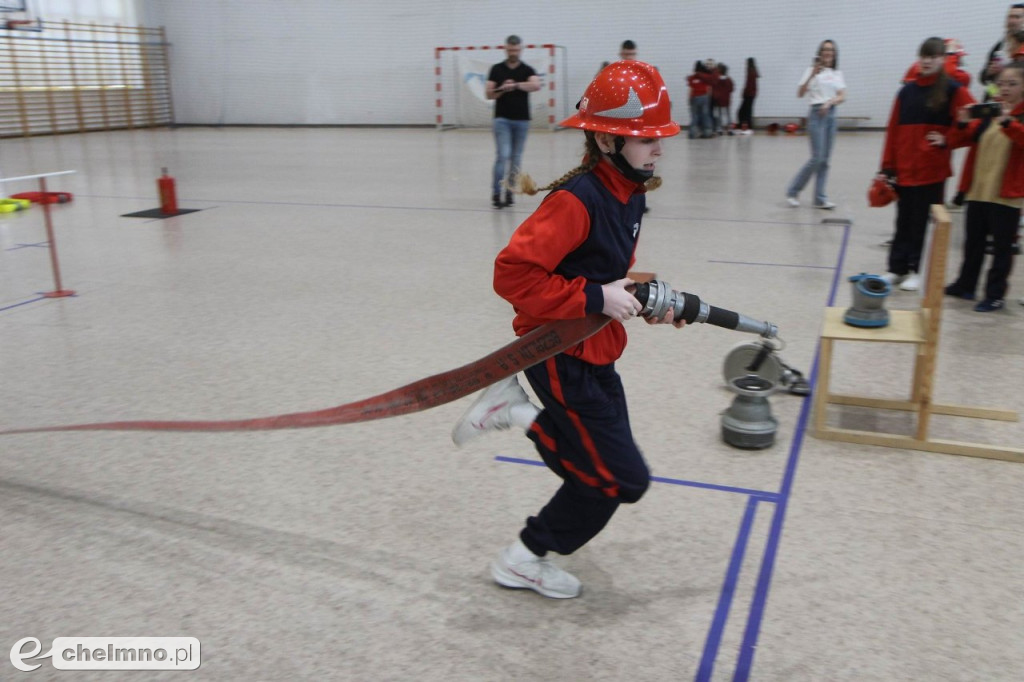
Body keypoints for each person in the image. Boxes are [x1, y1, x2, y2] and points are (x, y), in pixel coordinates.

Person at [451, 61, 685, 599]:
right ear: (606, 139)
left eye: (658, 137)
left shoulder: (630, 191)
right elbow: (512, 272)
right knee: (615, 481)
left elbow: (604, 270)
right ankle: (523, 558)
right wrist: (593, 296)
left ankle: (515, 412)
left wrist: (643, 296)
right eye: (647, 138)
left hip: (595, 347)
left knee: (594, 463)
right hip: (559, 354)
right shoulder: (576, 201)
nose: (658, 148)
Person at [877, 37, 976, 292]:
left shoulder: (953, 90)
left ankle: (918, 270)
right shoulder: (906, 92)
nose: (927, 61)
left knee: (924, 223)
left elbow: (973, 123)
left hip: (931, 172)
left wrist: (948, 138)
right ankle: (897, 268)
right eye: (923, 56)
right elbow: (892, 131)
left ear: (943, 60)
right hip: (905, 171)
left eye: (932, 56)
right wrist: (888, 167)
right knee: (903, 222)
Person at [943, 62, 1024, 312]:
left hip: (1006, 195)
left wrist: (1008, 122)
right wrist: (962, 122)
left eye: (1012, 84)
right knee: (973, 242)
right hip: (978, 190)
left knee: (1002, 248)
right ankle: (966, 284)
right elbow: (959, 141)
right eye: (1001, 84)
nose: (1005, 88)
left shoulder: (1016, 116)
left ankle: (995, 294)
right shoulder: (989, 113)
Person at [785, 40, 846, 209]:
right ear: (820, 52)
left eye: (831, 50)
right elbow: (800, 93)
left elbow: (842, 95)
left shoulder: (836, 73)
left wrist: (831, 102)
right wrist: (812, 74)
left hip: (831, 114)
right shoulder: (811, 71)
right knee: (817, 158)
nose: (828, 53)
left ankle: (820, 198)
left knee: (825, 160)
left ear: (834, 55)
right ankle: (793, 191)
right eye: (825, 50)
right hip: (816, 114)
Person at [486, 35, 542, 209]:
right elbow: (489, 93)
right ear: (506, 49)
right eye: (510, 50)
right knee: (503, 155)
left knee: (516, 159)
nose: (513, 52)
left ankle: (510, 192)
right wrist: (502, 88)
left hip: (522, 121)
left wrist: (516, 85)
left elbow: (535, 85)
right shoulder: (497, 69)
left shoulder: (527, 70)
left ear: (521, 49)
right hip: (502, 119)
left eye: (516, 49)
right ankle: (496, 192)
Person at [980, 4, 1024, 100]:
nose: (1012, 21)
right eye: (1010, 17)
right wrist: (989, 72)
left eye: (1017, 17)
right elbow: (984, 80)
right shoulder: (999, 46)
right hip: (996, 103)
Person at [687, 60, 716, 139]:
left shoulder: (692, 78)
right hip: (704, 97)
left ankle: (692, 134)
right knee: (705, 115)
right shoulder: (705, 76)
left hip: (694, 98)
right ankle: (707, 132)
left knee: (695, 116)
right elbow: (709, 88)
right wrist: (709, 97)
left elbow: (691, 89)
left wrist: (689, 99)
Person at [737, 57, 759, 133]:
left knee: (741, 111)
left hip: (748, 94)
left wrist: (744, 93)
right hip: (752, 94)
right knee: (748, 111)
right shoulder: (754, 71)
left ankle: (743, 127)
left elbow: (748, 84)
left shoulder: (750, 72)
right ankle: (748, 127)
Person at [712, 63, 735, 134]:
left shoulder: (717, 79)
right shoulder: (729, 80)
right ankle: (730, 129)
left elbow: (714, 88)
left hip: (718, 99)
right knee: (728, 114)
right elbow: (731, 89)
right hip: (727, 99)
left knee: (719, 114)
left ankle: (719, 129)